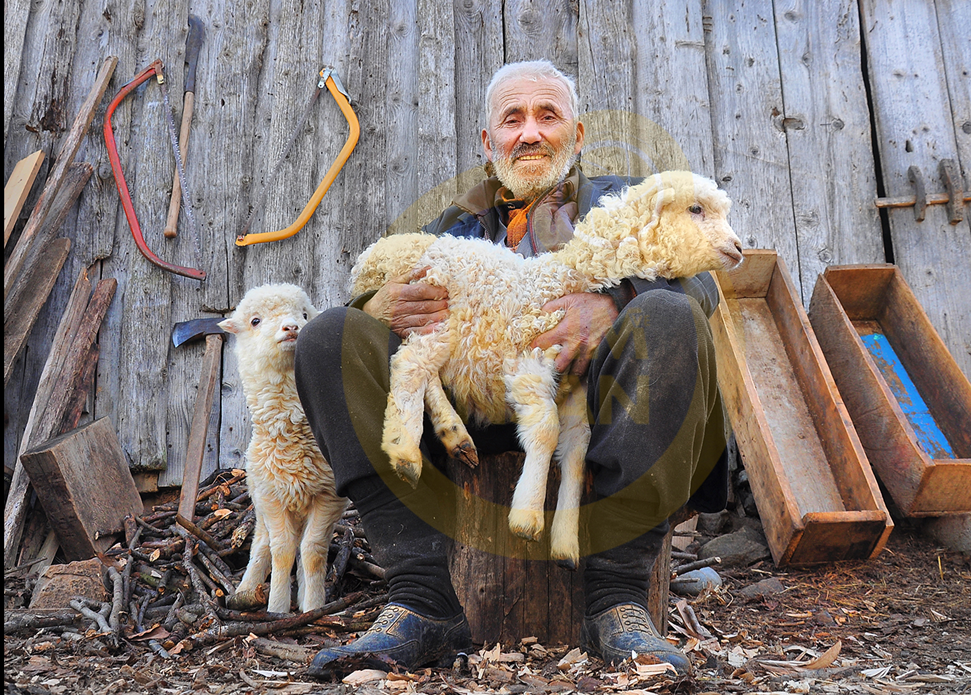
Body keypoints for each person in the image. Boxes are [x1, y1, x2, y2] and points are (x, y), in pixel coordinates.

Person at [296, 60, 728, 679]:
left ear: (577, 135)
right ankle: (420, 598)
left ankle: (618, 598)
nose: (530, 133)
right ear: (488, 141)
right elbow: (383, 288)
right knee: (327, 338)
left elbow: (703, 282)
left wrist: (617, 298)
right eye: (513, 119)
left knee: (671, 314)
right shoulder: (454, 224)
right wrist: (378, 304)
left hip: (597, 401)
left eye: (548, 116)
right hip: (477, 408)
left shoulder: (631, 203)